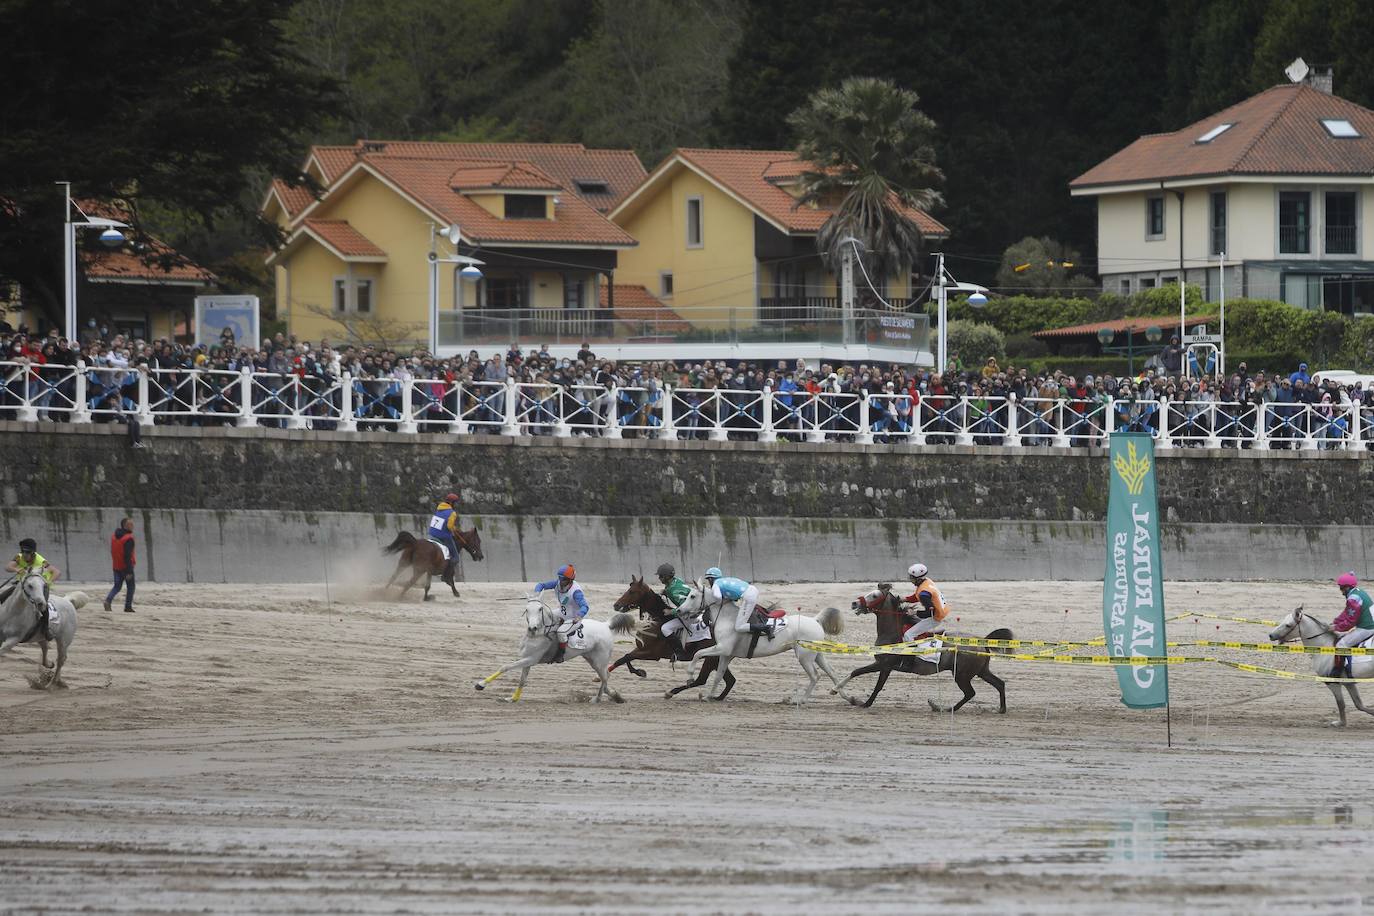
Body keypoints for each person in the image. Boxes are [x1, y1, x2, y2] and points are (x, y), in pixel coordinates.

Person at [533, 564, 589, 663]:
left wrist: (579, 616)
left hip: (573, 617)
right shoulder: (558, 583)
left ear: (570, 580)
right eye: (559, 578)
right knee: (543, 617)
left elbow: (585, 606)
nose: (560, 580)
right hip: (562, 612)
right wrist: (537, 593)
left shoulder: (576, 592)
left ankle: (560, 654)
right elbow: (541, 585)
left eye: (563, 579)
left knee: (561, 632)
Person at [6, 538, 60, 638]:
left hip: (40, 587)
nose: (25, 554)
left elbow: (56, 572)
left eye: (27, 552)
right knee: (3, 596)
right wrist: (16, 569)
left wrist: (48, 583)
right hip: (22, 585)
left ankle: (45, 629)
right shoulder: (19, 557)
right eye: (23, 551)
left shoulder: (41, 561)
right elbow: (8, 567)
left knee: (43, 606)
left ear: (33, 553)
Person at [1332, 572, 1374, 677]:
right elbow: (1347, 612)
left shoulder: (1353, 598)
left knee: (1340, 645)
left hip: (1366, 628)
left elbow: (1350, 622)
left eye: (1341, 588)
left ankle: (1340, 671)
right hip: (1368, 625)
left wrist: (1336, 628)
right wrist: (1335, 622)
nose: (1341, 592)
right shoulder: (1359, 592)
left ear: (1347, 587)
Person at [703, 566, 766, 636]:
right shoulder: (723, 580)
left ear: (711, 579)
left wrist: (718, 603)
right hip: (752, 590)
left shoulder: (716, 585)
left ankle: (764, 628)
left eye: (708, 580)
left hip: (748, 596)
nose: (709, 582)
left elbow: (718, 596)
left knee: (739, 627)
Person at [900, 563, 949, 642]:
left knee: (908, 635)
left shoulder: (923, 594)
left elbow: (930, 613)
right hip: (942, 611)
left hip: (935, 617)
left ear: (918, 579)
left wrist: (914, 612)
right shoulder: (927, 581)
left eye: (912, 578)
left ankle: (916, 653)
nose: (910, 580)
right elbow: (917, 596)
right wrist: (905, 599)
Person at [426, 493, 462, 584]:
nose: (456, 505)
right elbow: (449, 526)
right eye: (456, 503)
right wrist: (455, 529)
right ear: (452, 503)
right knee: (456, 557)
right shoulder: (452, 513)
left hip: (432, 535)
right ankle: (445, 575)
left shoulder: (438, 510)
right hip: (444, 537)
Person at [104, 517, 137, 613]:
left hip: (116, 566)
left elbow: (113, 551)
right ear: (125, 526)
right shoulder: (129, 538)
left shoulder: (114, 536)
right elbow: (127, 555)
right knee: (131, 587)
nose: (133, 526)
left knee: (117, 586)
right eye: (130, 524)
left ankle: (108, 600)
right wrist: (129, 570)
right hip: (126, 567)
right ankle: (128, 606)